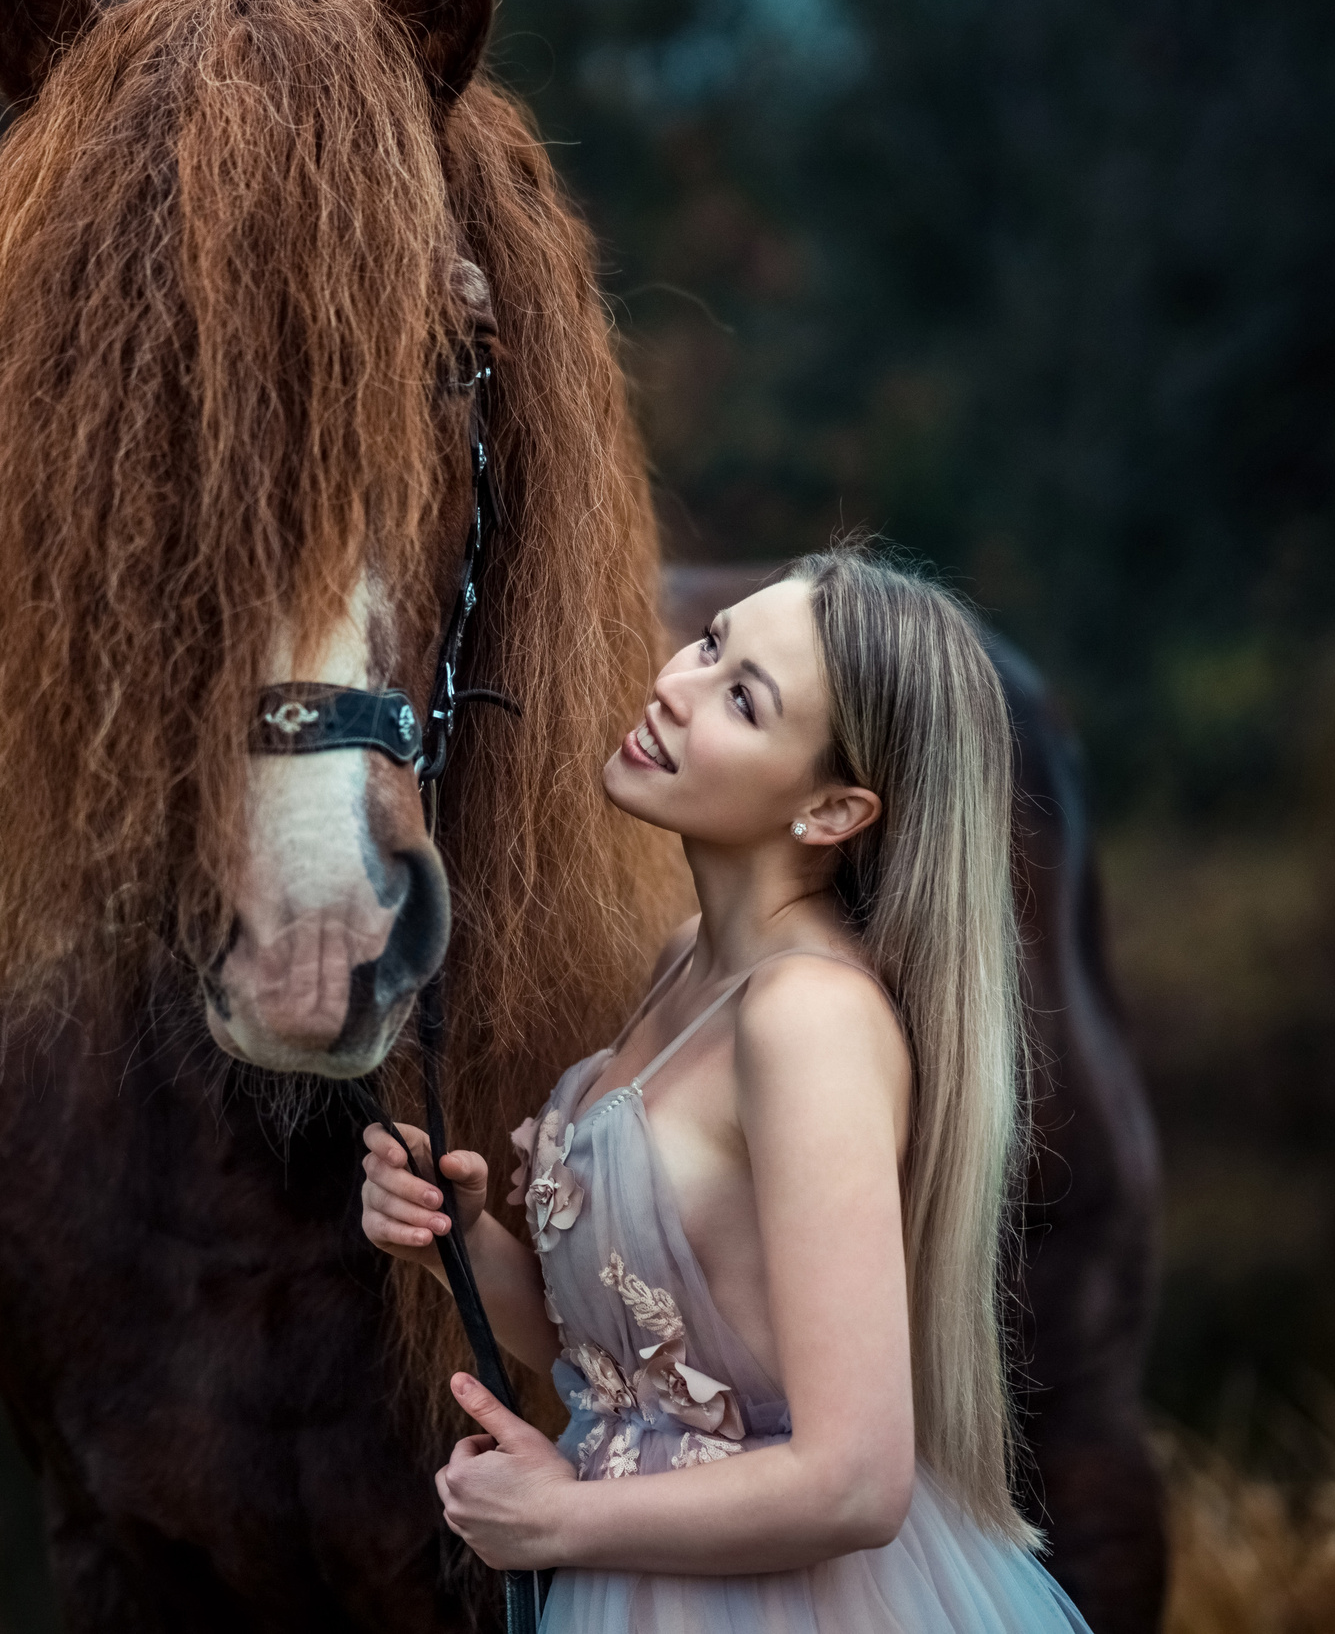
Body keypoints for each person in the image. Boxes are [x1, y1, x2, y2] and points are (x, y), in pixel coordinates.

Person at [361, 544, 1094, 1630]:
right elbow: (647, 1370)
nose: (673, 682)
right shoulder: (690, 960)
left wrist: (556, 1522)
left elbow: (854, 1481)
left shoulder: (807, 1018)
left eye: (741, 699)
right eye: (711, 645)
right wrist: (461, 1241)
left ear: (833, 812)